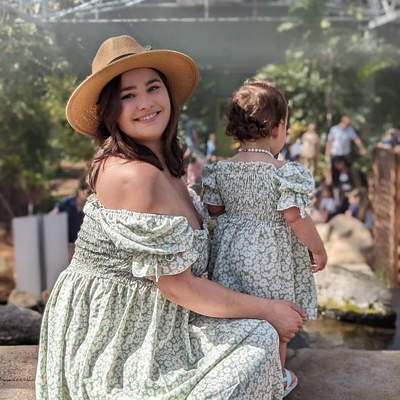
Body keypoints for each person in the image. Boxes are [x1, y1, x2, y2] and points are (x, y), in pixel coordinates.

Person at [36, 35, 305, 400]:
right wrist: (269, 310)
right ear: (110, 110)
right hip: (118, 335)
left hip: (163, 316)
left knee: (259, 338)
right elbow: (177, 286)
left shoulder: (166, 164)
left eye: (153, 88)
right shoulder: (136, 175)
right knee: (260, 339)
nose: (145, 103)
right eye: (128, 95)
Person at [202, 79, 327, 399]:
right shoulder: (285, 172)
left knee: (238, 317)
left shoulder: (220, 169)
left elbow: (214, 209)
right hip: (271, 257)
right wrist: (317, 249)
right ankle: (275, 378)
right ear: (277, 127)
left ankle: (241, 373)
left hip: (230, 254)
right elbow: (294, 216)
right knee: (275, 319)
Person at [50, 179, 90, 262]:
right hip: (58, 240)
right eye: (88, 192)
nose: (89, 196)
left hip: (73, 244)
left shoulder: (88, 210)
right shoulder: (67, 202)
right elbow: (52, 216)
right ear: (80, 192)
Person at [325, 116, 366, 187]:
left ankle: (350, 185)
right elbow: (329, 142)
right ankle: (333, 186)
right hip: (336, 154)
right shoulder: (334, 129)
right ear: (342, 122)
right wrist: (327, 154)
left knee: (350, 171)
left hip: (345, 155)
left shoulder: (349, 130)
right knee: (333, 172)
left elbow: (356, 139)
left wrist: (362, 148)